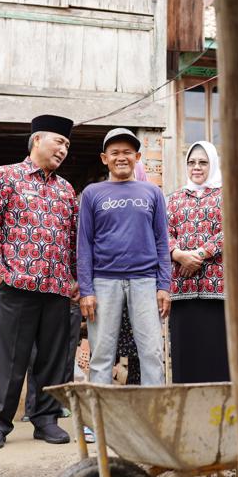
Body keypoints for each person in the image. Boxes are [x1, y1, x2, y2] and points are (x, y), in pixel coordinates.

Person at [0, 114, 78, 449]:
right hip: (17, 284)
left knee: (52, 358)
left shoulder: (66, 189)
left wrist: (75, 278)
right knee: (10, 357)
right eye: (58, 142)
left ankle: (45, 419)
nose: (64, 149)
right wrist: (0, 271)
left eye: (67, 144)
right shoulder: (5, 176)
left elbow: (73, 237)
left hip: (57, 287)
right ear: (37, 140)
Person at [78, 128, 171, 386]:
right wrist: (86, 289)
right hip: (104, 282)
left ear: (138, 157)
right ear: (104, 158)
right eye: (115, 152)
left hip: (145, 281)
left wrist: (164, 285)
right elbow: (83, 243)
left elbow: (163, 241)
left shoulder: (151, 193)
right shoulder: (92, 193)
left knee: (152, 352)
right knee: (102, 355)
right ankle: (100, 422)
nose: (121, 157)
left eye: (128, 152)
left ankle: (153, 419)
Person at [167, 141, 229, 383]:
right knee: (186, 354)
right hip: (183, 288)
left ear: (212, 164)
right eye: (191, 162)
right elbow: (163, 233)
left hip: (218, 289)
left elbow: (231, 228)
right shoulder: (174, 199)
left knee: (217, 353)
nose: (196, 167)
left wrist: (200, 254)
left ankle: (220, 415)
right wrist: (178, 254)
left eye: (203, 162)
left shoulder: (226, 195)